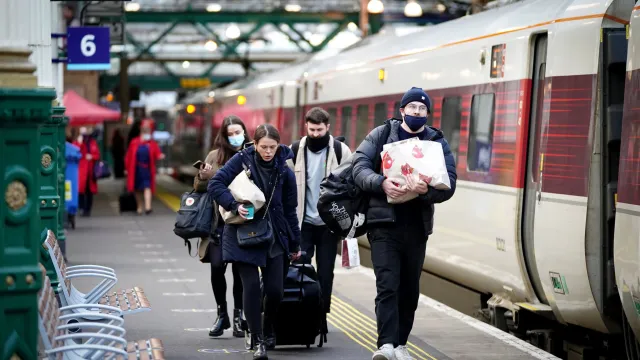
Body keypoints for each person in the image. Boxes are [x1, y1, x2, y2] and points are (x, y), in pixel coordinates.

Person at [352, 87, 457, 360]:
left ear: (427, 113)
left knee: (409, 289)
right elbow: (359, 166)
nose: (417, 113)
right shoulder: (382, 135)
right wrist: (381, 182)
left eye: (422, 109)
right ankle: (385, 344)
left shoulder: (436, 143)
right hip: (383, 224)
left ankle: (400, 343)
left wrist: (426, 192)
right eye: (412, 108)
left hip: (417, 227)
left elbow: (450, 184)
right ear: (402, 111)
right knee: (387, 284)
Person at [209, 124, 302, 360]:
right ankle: (258, 340)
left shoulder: (285, 171)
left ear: (279, 145)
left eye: (272, 147)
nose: (268, 152)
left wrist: (295, 243)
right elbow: (215, 184)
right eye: (264, 147)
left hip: (275, 235)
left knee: (275, 291)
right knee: (250, 287)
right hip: (244, 233)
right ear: (255, 144)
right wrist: (233, 205)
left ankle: (268, 326)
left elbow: (291, 210)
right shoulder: (241, 160)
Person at [288, 107, 352, 337]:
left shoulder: (340, 150)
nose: (315, 134)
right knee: (300, 271)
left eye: (319, 129)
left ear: (327, 127)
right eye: (311, 129)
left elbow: (351, 183)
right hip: (302, 223)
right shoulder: (294, 150)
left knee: (326, 274)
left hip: (328, 225)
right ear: (306, 126)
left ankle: (321, 317)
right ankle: (301, 314)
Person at [193, 115, 250, 338]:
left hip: (242, 222)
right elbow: (198, 188)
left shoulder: (251, 155)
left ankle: (238, 316)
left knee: (239, 272)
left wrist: (215, 175)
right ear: (224, 136)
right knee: (217, 267)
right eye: (231, 134)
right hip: (217, 224)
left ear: (245, 132)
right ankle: (221, 314)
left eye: (239, 132)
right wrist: (202, 175)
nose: (235, 137)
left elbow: (244, 185)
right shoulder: (214, 156)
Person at [125, 119, 165, 215]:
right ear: (141, 130)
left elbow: (157, 153)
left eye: (148, 130)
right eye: (144, 129)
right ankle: (139, 206)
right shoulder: (134, 142)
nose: (146, 131)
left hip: (147, 169)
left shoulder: (152, 143)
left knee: (147, 187)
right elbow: (128, 156)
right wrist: (126, 169)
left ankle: (148, 207)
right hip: (136, 169)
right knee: (137, 189)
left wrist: (160, 156)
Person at [74, 126, 101, 217]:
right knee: (81, 190)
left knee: (90, 191)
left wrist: (92, 156)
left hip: (90, 171)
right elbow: (75, 152)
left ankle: (88, 209)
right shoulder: (78, 142)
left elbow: (97, 154)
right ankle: (81, 208)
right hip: (81, 170)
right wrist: (79, 142)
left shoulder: (92, 143)